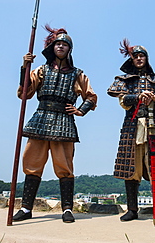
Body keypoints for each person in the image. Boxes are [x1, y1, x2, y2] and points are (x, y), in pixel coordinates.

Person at [13, 25, 97, 223]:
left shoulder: (78, 74)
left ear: (69, 50)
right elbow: (24, 93)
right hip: (41, 118)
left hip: (64, 121)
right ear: (52, 48)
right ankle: (26, 208)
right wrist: (24, 68)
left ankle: (67, 209)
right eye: (57, 43)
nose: (60, 46)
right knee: (32, 164)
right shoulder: (41, 70)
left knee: (64, 166)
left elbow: (91, 97)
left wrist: (80, 110)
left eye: (64, 44)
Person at [107, 39, 155, 225]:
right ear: (131, 59)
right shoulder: (124, 80)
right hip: (131, 127)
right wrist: (138, 96)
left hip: (153, 125)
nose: (139, 58)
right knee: (131, 168)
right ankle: (132, 209)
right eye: (136, 56)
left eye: (142, 56)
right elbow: (123, 100)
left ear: (147, 59)